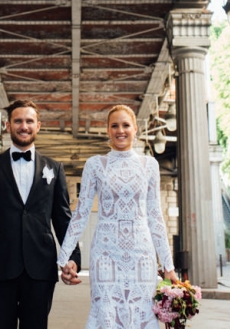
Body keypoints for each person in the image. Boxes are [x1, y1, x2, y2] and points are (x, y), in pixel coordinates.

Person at [0, 99, 81, 329]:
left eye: (29, 121)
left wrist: (73, 257)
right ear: (8, 126)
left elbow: (63, 219)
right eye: (18, 121)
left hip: (40, 269)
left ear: (38, 126)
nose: (23, 126)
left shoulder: (54, 168)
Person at [57, 104, 178, 328]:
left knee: (143, 313)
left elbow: (155, 216)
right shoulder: (94, 165)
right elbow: (81, 214)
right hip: (105, 254)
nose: (120, 130)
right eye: (114, 126)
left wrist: (168, 266)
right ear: (107, 130)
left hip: (141, 254)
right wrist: (63, 259)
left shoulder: (149, 165)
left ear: (135, 129)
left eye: (125, 125)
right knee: (106, 313)